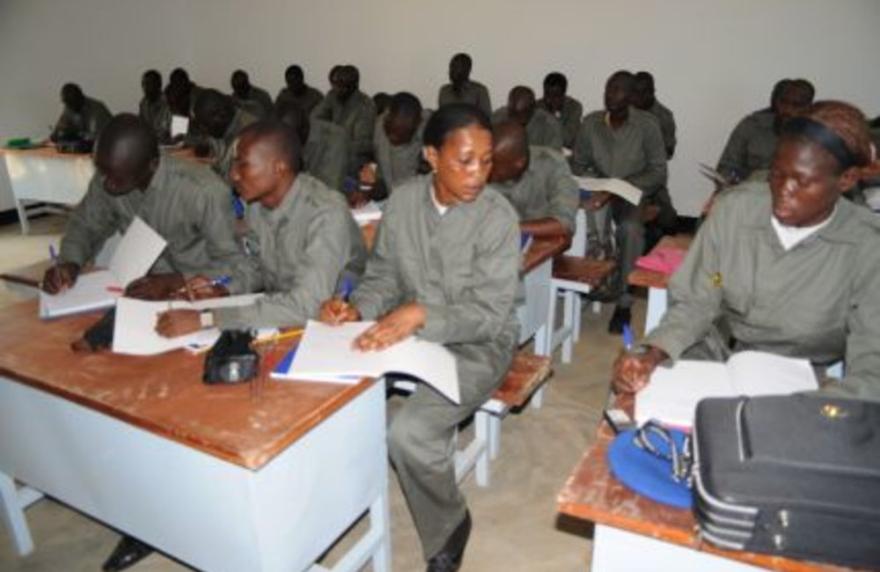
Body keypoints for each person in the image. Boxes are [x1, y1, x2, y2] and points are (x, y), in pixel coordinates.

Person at [319, 103, 520, 572]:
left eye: (486, 161)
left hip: (478, 343)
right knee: (322, 388)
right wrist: (357, 308)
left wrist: (421, 315)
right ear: (431, 155)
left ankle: (450, 524)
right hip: (410, 327)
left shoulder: (497, 218)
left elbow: (490, 315)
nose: (479, 175)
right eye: (465, 160)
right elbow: (384, 274)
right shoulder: (405, 201)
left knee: (408, 434)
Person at [613, 101, 880, 402]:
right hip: (722, 352)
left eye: (802, 181)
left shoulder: (867, 246)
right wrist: (652, 351)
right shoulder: (734, 212)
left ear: (845, 180)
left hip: (808, 377)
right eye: (777, 175)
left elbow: (873, 359)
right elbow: (698, 300)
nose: (783, 191)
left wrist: (824, 404)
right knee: (643, 397)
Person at [155, 121, 366, 336]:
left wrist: (209, 318)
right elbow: (258, 266)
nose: (234, 175)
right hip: (282, 309)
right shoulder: (256, 206)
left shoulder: (326, 212)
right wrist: (223, 288)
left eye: (243, 165)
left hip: (337, 319)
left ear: (279, 168)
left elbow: (307, 305)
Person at [41, 114, 254, 303]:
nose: (106, 183)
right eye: (101, 170)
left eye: (115, 176)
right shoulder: (111, 175)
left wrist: (176, 281)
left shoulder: (203, 192)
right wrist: (70, 261)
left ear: (152, 165)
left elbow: (237, 265)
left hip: (203, 294)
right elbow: (85, 224)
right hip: (141, 292)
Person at [571, 70, 668, 333]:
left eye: (618, 90)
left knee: (630, 229)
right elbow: (577, 164)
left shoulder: (647, 125)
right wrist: (588, 184)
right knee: (568, 217)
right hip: (596, 190)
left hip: (631, 193)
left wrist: (616, 189)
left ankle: (624, 301)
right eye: (608, 89)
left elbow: (658, 171)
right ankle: (587, 283)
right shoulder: (591, 122)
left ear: (632, 96)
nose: (610, 96)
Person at [489, 120, 578, 238]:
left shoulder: (552, 164)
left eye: (494, 164)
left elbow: (563, 224)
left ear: (518, 163)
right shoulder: (478, 171)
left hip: (543, 244)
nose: (487, 168)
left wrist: (509, 229)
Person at [716, 78, 815, 184]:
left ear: (808, 107)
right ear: (775, 102)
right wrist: (734, 180)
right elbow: (725, 167)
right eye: (783, 102)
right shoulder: (752, 126)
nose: (787, 110)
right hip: (748, 191)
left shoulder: (818, 136)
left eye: (796, 105)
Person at [359, 91, 431, 202]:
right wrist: (367, 189)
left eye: (402, 135)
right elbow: (384, 179)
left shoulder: (432, 133)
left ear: (418, 123)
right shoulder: (379, 126)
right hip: (391, 203)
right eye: (390, 132)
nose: (394, 138)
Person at [310, 64, 376, 177]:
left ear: (353, 86)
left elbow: (363, 144)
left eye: (342, 86)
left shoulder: (365, 106)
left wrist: (335, 141)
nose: (337, 89)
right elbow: (314, 118)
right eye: (336, 85)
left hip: (357, 158)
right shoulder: (333, 96)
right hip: (334, 150)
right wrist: (333, 134)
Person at [633, 71, 678, 233]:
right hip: (627, 173)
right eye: (635, 92)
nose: (638, 96)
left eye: (643, 91)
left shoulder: (664, 116)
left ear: (652, 92)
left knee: (668, 220)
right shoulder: (626, 112)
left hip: (653, 175)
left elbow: (669, 151)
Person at [278, 102, 349, 192]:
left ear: (304, 129)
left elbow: (329, 189)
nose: (286, 142)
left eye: (290, 136)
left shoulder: (335, 138)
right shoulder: (282, 136)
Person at [192, 88, 258, 178]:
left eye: (206, 125)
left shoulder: (249, 135)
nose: (204, 130)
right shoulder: (221, 127)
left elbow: (234, 181)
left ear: (222, 115)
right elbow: (208, 152)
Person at [493, 86, 563, 150]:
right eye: (512, 115)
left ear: (533, 108)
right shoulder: (497, 118)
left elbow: (553, 158)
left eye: (521, 117)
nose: (516, 122)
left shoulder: (550, 126)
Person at [538, 72, 583, 150]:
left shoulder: (574, 107)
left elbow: (567, 139)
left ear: (563, 94)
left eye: (555, 95)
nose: (549, 100)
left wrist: (551, 115)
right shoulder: (536, 108)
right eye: (547, 94)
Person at [437, 53, 492, 117]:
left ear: (468, 70)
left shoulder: (479, 91)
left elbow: (487, 118)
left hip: (471, 126)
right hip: (448, 125)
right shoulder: (444, 91)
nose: (452, 71)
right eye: (452, 67)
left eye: (457, 67)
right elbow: (441, 117)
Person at [138, 69, 171, 143]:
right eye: (144, 84)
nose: (145, 87)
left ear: (159, 84)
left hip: (169, 147)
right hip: (150, 145)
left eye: (149, 83)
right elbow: (141, 127)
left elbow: (179, 134)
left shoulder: (171, 102)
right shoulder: (143, 104)